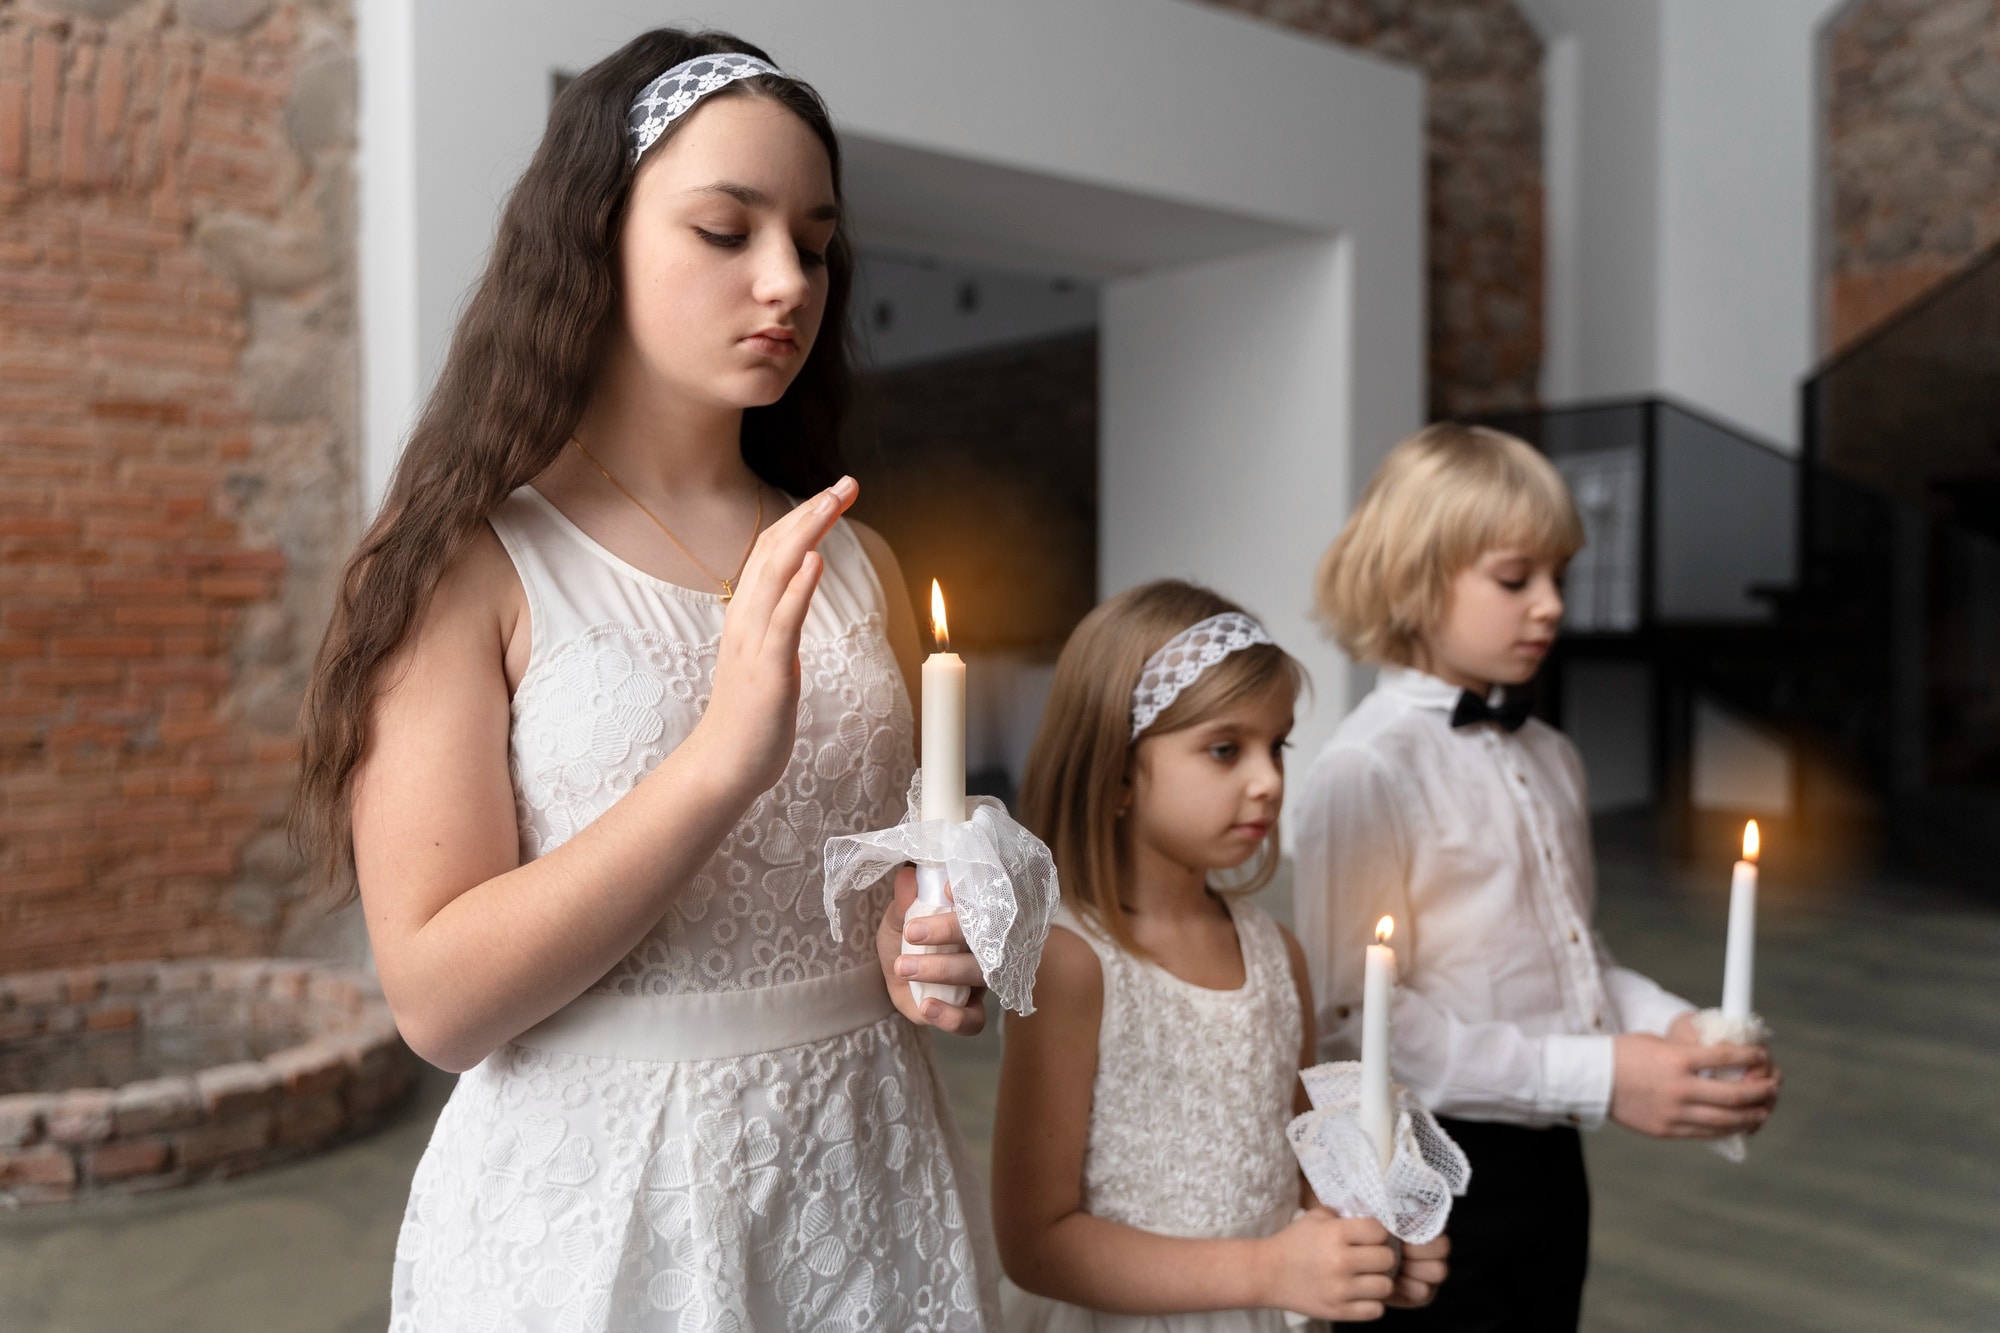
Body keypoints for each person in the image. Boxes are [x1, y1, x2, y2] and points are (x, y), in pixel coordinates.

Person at [293, 30, 998, 1330]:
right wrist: (723, 755)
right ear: (595, 239)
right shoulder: (466, 566)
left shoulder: (856, 562)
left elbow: (873, 879)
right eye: (726, 230)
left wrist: (926, 944)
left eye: (817, 240)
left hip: (863, 1179)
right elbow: (441, 1001)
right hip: (608, 1212)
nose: (788, 279)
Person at [1295, 423, 1783, 1330]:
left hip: (1553, 1161)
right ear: (1415, 578)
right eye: (1518, 579)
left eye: (1559, 575)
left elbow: (1573, 950)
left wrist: (1672, 1024)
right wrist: (1600, 1077)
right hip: (1431, 1167)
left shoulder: (1554, 757)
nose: (1553, 604)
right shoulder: (1366, 770)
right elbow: (1358, 1022)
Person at [991, 580, 1449, 1331]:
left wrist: (1368, 1244)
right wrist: (1265, 1268)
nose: (1268, 780)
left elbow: (1306, 1174)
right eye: (1226, 749)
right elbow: (1035, 1244)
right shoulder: (1073, 965)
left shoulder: (1279, 956)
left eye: (1279, 745)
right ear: (1117, 774)